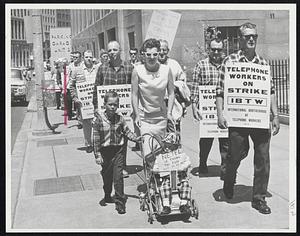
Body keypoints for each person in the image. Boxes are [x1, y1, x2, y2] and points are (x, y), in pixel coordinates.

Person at [216, 22, 280, 214]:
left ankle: (259, 198)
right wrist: (220, 113)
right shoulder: (230, 61)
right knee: (236, 155)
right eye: (247, 36)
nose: (251, 39)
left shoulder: (264, 64)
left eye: (254, 36)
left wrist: (275, 115)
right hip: (238, 119)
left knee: (262, 158)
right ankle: (229, 180)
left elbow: (271, 92)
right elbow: (220, 91)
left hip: (259, 120)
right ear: (240, 39)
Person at [132, 38, 191, 215]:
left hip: (162, 119)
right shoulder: (138, 70)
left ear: (159, 54)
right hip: (145, 120)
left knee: (164, 158)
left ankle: (164, 191)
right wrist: (135, 114)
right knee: (149, 157)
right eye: (148, 55)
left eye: (155, 54)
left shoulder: (166, 70)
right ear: (143, 55)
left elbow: (172, 93)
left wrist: (170, 112)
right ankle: (152, 187)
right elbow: (134, 95)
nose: (151, 58)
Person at [93, 91, 142, 214]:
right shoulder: (98, 120)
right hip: (105, 152)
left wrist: (136, 138)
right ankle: (107, 194)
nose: (113, 107)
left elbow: (127, 132)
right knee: (107, 177)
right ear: (104, 105)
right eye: (110, 104)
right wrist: (97, 155)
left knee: (118, 177)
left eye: (115, 104)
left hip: (118, 151)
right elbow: (95, 139)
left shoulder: (120, 119)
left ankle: (120, 202)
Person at [93, 41, 133, 178]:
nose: (112, 53)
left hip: (123, 111)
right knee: (107, 140)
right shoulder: (102, 68)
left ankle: (122, 167)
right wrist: (96, 108)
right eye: (109, 50)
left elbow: (134, 89)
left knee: (122, 140)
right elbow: (96, 88)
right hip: (107, 112)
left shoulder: (129, 67)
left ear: (120, 50)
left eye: (114, 50)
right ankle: (108, 166)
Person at [190, 38, 229, 178]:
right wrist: (194, 106)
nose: (216, 52)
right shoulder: (201, 65)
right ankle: (203, 163)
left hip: (224, 110)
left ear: (223, 50)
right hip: (207, 112)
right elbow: (194, 87)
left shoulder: (228, 64)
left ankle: (225, 170)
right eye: (213, 49)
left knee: (225, 141)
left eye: (219, 49)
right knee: (206, 140)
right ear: (209, 49)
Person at [70, 50, 99, 153]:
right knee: (86, 123)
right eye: (87, 57)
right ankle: (88, 144)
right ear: (83, 58)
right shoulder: (77, 70)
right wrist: (75, 98)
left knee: (97, 121)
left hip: (96, 100)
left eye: (90, 57)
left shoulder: (97, 68)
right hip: (84, 102)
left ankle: (97, 143)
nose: (89, 59)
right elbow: (71, 86)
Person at [158, 39, 187, 137]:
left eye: (164, 50)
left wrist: (183, 104)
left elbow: (183, 84)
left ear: (168, 51)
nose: (162, 52)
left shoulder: (174, 64)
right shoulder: (152, 65)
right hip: (157, 105)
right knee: (159, 134)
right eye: (159, 50)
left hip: (174, 104)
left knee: (174, 133)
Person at [68, 51, 82, 123]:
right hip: (74, 86)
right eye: (74, 57)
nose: (75, 59)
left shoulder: (83, 65)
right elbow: (68, 76)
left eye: (76, 57)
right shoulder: (70, 66)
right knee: (77, 103)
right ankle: (79, 120)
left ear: (80, 58)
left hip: (82, 86)